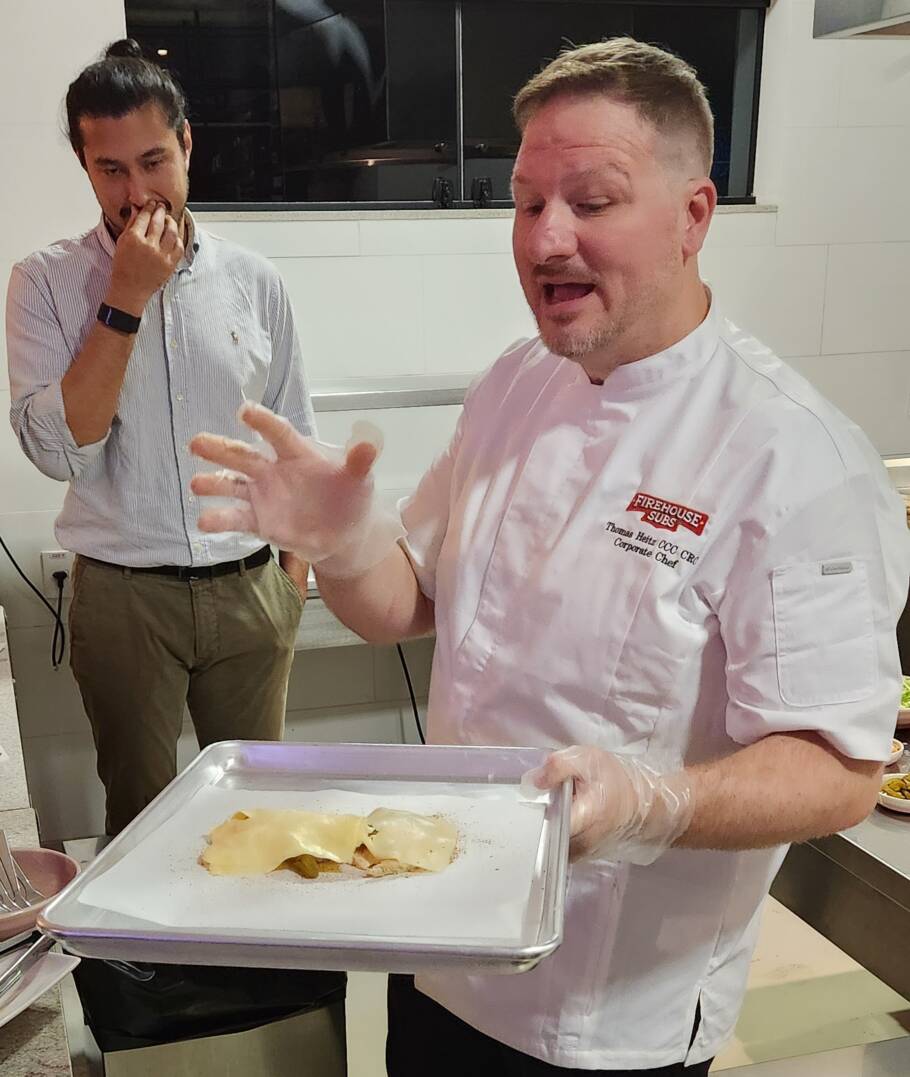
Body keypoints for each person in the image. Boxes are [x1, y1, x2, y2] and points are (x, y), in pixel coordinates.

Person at [187, 38, 910, 1077]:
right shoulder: (515, 384)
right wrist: (345, 544)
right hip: (433, 940)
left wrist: (650, 800)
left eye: (591, 199)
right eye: (526, 202)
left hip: (609, 1012)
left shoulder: (797, 459)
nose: (545, 238)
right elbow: (407, 604)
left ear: (694, 217)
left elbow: (839, 772)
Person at [6, 39, 314, 836]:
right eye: (110, 170)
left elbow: (294, 437)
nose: (136, 191)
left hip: (250, 585)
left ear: (187, 144)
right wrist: (124, 298)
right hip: (123, 592)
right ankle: (151, 967)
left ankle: (249, 961)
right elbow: (58, 449)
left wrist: (291, 580)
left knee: (256, 812)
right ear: (85, 166)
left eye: (152, 160)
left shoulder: (255, 280)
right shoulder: (43, 282)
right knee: (139, 817)